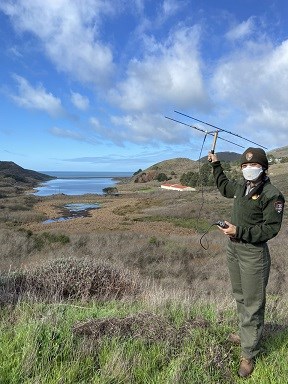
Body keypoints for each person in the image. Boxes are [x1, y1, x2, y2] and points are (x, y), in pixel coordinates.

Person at [208, 147, 285, 378]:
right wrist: (216, 164)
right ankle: (246, 336)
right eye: (244, 166)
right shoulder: (241, 187)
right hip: (234, 249)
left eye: (252, 166)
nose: (248, 169)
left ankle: (249, 353)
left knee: (253, 303)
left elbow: (271, 228)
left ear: (263, 168)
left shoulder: (273, 195)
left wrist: (238, 230)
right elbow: (223, 186)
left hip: (253, 254)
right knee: (240, 296)